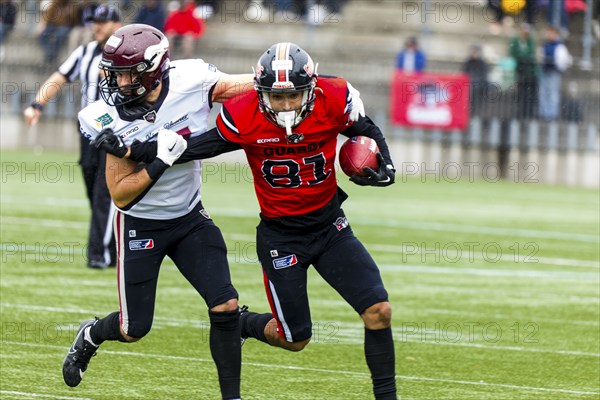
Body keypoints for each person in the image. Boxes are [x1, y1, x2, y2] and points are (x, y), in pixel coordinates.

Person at [99, 42, 396, 400]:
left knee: (379, 310)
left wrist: (386, 166)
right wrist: (131, 151)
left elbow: (366, 128)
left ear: (312, 88)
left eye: (294, 96)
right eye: (276, 97)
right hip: (281, 238)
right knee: (295, 339)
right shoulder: (244, 114)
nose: (286, 106)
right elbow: (191, 147)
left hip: (330, 227)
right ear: (260, 91)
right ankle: (244, 323)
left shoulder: (334, 97)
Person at [61, 24, 258, 400]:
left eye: (124, 73)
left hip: (188, 218)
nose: (115, 82)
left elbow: (243, 85)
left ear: (152, 70)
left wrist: (290, 78)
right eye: (113, 72)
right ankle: (90, 335)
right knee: (134, 327)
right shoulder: (105, 116)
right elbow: (121, 196)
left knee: (226, 304)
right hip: (141, 224)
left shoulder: (192, 79)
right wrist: (162, 161)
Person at [23, 3, 122, 269]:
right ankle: (112, 247)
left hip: (118, 134)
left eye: (103, 22)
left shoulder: (126, 52)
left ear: (117, 24)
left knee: (105, 192)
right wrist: (37, 104)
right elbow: (59, 76)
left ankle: (98, 255)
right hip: (89, 133)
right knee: (93, 188)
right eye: (94, 22)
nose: (97, 27)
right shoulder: (86, 51)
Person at [538, 25, 572, 121]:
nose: (549, 35)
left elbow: (564, 60)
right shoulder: (545, 45)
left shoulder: (559, 46)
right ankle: (543, 113)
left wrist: (557, 67)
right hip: (545, 71)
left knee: (553, 93)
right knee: (543, 93)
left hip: (553, 72)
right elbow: (541, 57)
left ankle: (552, 114)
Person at [509, 23, 538, 119]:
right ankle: (521, 112)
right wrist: (523, 56)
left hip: (529, 72)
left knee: (529, 93)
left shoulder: (530, 42)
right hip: (520, 71)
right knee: (521, 93)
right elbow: (514, 53)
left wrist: (523, 56)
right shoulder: (516, 41)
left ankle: (528, 112)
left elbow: (530, 54)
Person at [462, 44, 489, 116]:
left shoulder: (482, 63)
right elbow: (464, 74)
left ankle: (472, 112)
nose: (474, 53)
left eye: (475, 51)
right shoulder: (468, 62)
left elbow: (483, 76)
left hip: (478, 87)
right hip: (469, 85)